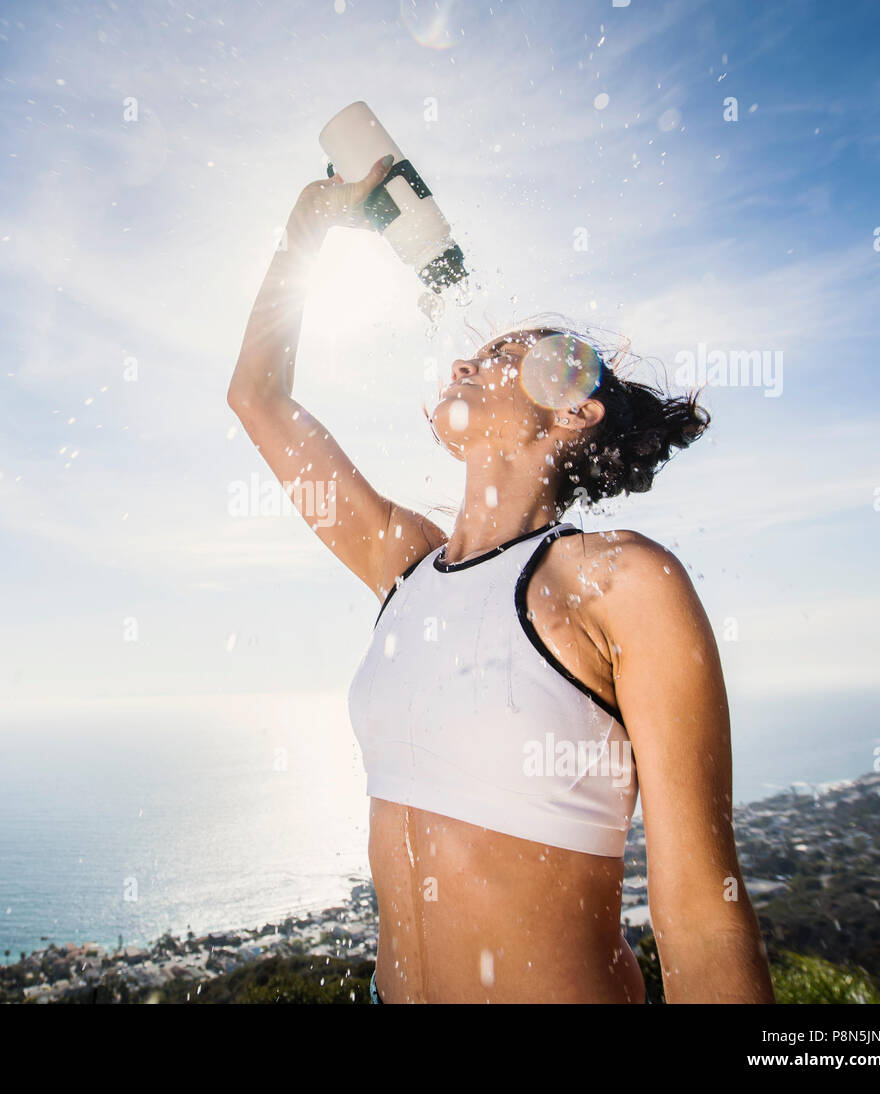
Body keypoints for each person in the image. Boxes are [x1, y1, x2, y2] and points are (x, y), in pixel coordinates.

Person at [226, 157, 775, 1004]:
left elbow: (702, 918)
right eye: (472, 354)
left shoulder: (622, 580)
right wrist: (307, 227)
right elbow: (257, 398)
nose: (469, 361)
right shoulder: (404, 563)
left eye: (507, 353)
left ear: (575, 410)